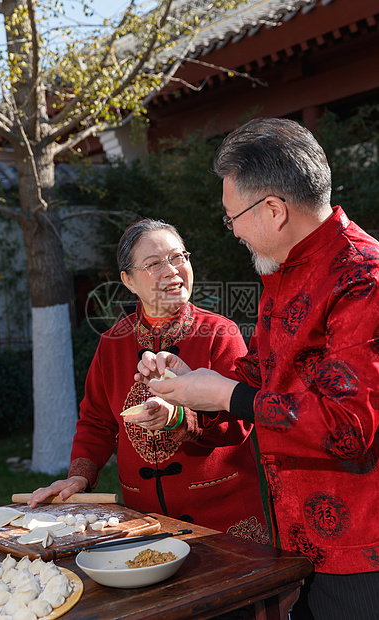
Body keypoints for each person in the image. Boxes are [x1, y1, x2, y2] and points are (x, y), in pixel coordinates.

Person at [137, 119, 379, 620]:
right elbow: (257, 381)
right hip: (299, 543)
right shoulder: (284, 271)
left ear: (273, 210)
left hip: (361, 550)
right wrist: (188, 384)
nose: (234, 232)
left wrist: (227, 395)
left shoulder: (362, 276)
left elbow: (350, 428)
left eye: (233, 218)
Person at [29, 219, 268, 542]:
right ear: (128, 280)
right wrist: (79, 478)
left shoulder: (219, 333)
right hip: (146, 519)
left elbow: (242, 423)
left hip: (223, 518)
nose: (171, 270)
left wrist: (179, 418)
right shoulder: (113, 342)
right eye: (154, 263)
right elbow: (96, 423)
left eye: (178, 257)